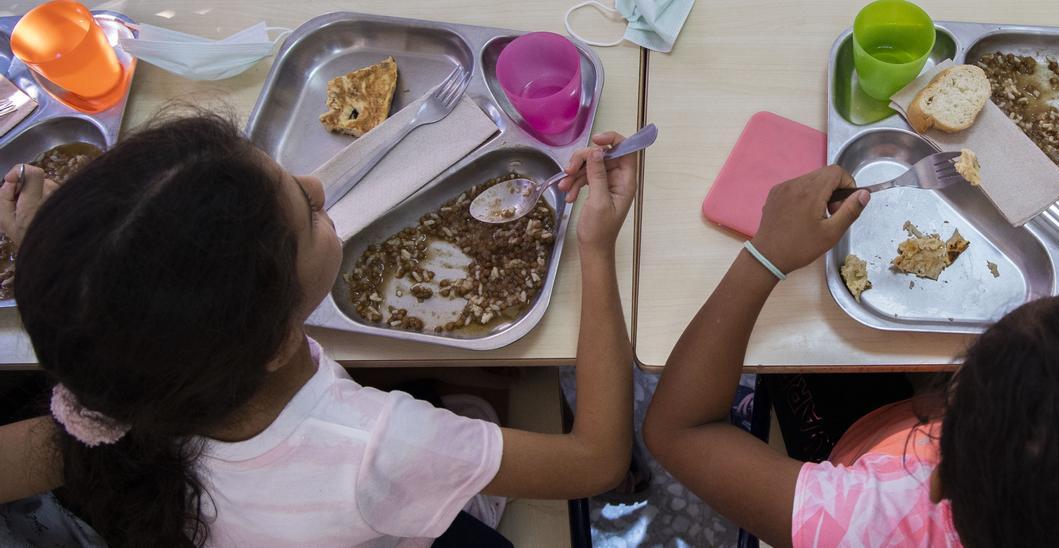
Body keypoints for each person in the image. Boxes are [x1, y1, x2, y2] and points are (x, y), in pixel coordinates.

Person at [0, 111, 637, 547]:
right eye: (305, 213)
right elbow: (597, 460)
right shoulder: (377, 447)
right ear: (276, 342)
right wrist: (598, 250)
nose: (317, 186)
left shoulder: (129, 377)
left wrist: (55, 249)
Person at [642, 166, 1059, 547]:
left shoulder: (875, 524)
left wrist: (764, 257)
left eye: (969, 369)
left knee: (796, 364)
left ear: (940, 473)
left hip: (858, 451)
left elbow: (680, 430)